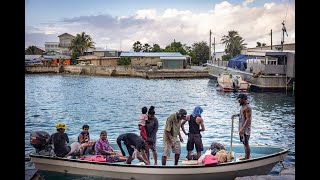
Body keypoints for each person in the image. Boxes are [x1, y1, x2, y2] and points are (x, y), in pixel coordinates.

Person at [231, 94, 252, 160]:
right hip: (241, 128)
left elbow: (248, 119)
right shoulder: (243, 106)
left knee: (246, 143)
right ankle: (246, 157)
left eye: (239, 100)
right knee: (244, 143)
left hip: (245, 129)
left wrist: (243, 129)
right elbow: (243, 114)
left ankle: (247, 158)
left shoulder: (247, 107)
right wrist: (236, 115)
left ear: (243, 99)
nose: (238, 101)